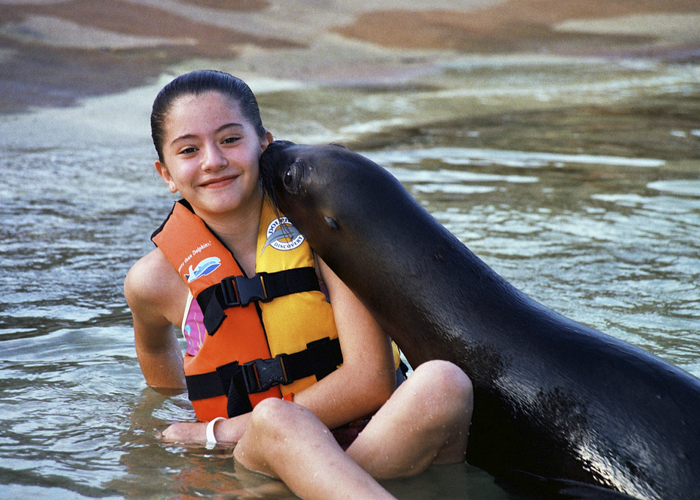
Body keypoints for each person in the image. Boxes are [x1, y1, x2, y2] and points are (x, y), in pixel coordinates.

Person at [124, 69, 474, 499]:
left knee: (444, 383)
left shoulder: (323, 234)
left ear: (263, 144)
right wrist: (176, 422)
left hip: (374, 438)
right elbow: (158, 359)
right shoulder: (152, 281)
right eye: (189, 150)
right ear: (166, 173)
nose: (213, 160)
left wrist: (217, 431)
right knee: (277, 420)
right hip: (264, 453)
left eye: (231, 140)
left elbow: (371, 380)